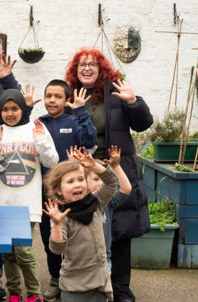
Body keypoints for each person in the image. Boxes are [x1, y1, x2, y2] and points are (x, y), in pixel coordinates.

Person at [65, 47, 153, 302]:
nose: (87, 68)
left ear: (101, 68)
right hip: (83, 173)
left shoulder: (115, 93)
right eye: (81, 64)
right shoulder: (71, 94)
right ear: (75, 70)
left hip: (116, 168)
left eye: (93, 64)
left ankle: (121, 289)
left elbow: (143, 123)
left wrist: (133, 101)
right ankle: (86, 285)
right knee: (86, 230)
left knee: (119, 229)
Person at [0, 89, 59, 302]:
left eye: (15, 108)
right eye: (5, 109)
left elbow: (52, 161)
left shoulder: (36, 128)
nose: (10, 113)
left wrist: (40, 141)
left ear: (23, 108)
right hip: (2, 202)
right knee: (8, 252)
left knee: (24, 250)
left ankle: (34, 294)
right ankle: (14, 293)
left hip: (26, 203)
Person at [37, 79, 97, 301]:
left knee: (76, 238)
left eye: (57, 96)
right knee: (50, 237)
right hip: (47, 193)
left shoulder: (74, 121)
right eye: (48, 96)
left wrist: (81, 112)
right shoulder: (39, 124)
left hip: (73, 193)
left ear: (66, 100)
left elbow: (89, 139)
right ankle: (55, 278)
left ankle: (77, 279)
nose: (52, 100)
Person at [43, 147, 119, 302]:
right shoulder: (62, 215)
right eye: (70, 181)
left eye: (81, 179)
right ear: (58, 190)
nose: (77, 185)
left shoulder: (96, 202)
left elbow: (112, 183)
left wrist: (92, 166)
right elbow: (57, 249)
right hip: (75, 287)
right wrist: (56, 224)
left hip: (100, 283)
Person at [87, 146, 131, 274]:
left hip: (103, 260)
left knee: (102, 293)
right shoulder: (79, 201)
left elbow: (126, 189)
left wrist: (116, 167)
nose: (100, 184)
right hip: (80, 260)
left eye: (104, 181)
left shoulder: (107, 202)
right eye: (95, 179)